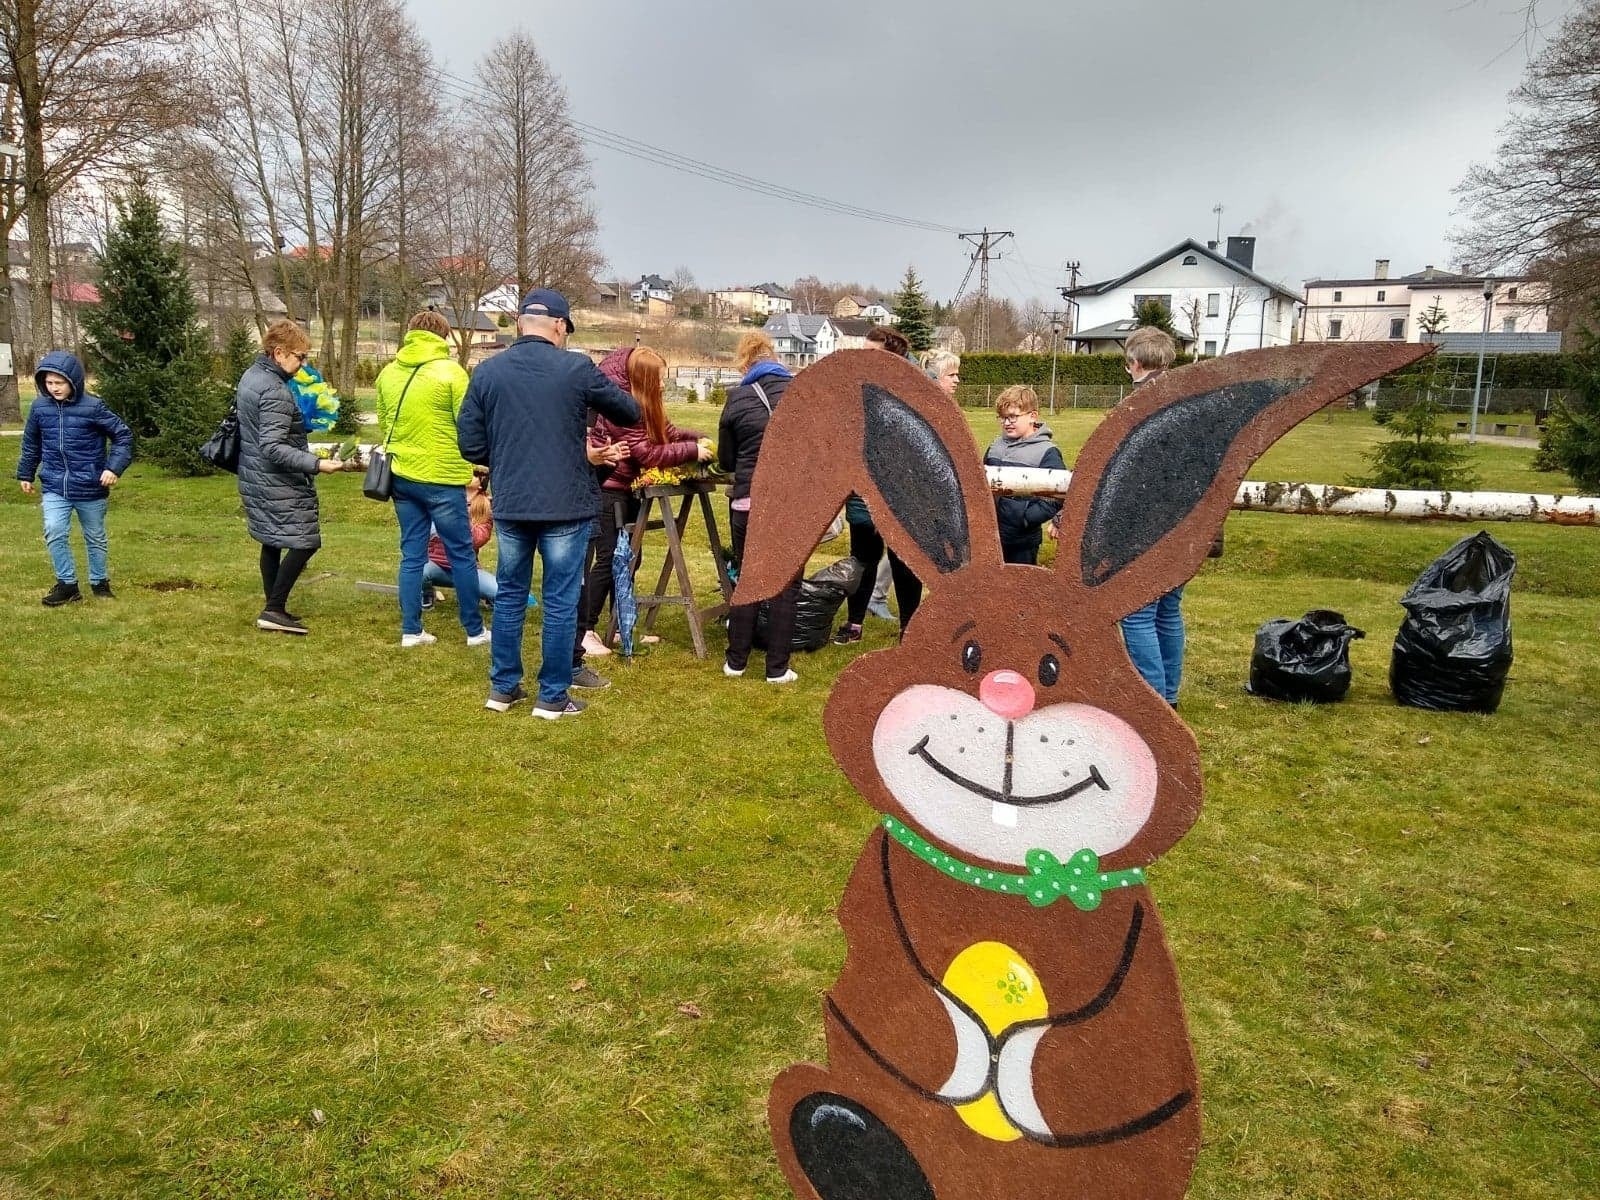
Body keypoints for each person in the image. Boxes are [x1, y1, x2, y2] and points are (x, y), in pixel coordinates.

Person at [456, 288, 640, 719]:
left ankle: (503, 689)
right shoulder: (576, 368)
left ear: (520, 323)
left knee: (511, 595)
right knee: (559, 600)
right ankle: (552, 696)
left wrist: (507, 458)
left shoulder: (488, 372)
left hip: (514, 502)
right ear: (559, 326)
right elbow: (629, 411)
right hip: (566, 504)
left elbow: (470, 443)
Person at [582, 346, 709, 659]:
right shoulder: (621, 406)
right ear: (642, 380)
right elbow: (647, 453)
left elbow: (667, 432)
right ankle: (585, 630)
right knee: (608, 559)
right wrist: (693, 452)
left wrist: (702, 438)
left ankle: (619, 626)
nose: (663, 384)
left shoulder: (644, 401)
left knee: (628, 560)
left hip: (628, 487)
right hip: (609, 487)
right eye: (658, 379)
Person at [374, 310, 486, 648]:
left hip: (401, 477)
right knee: (462, 554)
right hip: (442, 477)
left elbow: (383, 420)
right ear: (445, 336)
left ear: (409, 333)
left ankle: (411, 630)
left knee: (411, 555)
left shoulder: (387, 373)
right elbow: (467, 426)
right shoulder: (451, 373)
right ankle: (474, 630)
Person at [235, 320, 349, 634]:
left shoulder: (252, 376)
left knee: (272, 541)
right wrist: (316, 464)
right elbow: (272, 446)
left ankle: (275, 607)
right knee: (305, 541)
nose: (303, 364)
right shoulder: (274, 391)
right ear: (279, 352)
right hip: (277, 480)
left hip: (255, 475)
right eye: (300, 357)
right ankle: (273, 609)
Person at [15, 350, 134, 605]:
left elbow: (123, 436)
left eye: (59, 383)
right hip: (55, 484)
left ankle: (100, 583)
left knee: (95, 536)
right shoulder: (39, 408)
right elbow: (31, 443)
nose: (54, 388)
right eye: (49, 383)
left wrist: (113, 468)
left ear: (73, 382)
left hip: (90, 485)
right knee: (54, 530)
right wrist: (25, 473)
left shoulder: (94, 407)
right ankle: (67, 585)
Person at [719, 331, 801, 683]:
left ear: (745, 364)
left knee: (748, 577)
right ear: (775, 359)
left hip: (747, 501)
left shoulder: (737, 398)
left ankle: (736, 661)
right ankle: (776, 668)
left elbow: (726, 459)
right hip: (789, 504)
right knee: (786, 584)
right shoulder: (800, 395)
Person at [834, 328, 924, 644]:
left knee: (904, 561)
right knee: (862, 558)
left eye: (872, 352)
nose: (864, 358)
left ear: (892, 355)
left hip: (902, 495)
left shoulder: (914, 391)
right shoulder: (859, 390)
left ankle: (909, 630)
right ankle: (854, 623)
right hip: (863, 492)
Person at [863, 348, 961, 620]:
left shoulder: (945, 411)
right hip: (913, 504)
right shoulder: (915, 411)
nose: (957, 380)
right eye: (951, 375)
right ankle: (909, 623)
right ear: (934, 377)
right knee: (908, 564)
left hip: (936, 506)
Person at [1118, 325, 1185, 704]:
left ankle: (1152, 702)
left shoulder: (1141, 406)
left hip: (1150, 528)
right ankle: (1169, 697)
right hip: (1186, 526)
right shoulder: (1187, 398)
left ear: (1135, 362)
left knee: (1138, 614)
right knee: (1168, 610)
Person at [983, 384, 1064, 565]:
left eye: (1013, 417)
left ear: (1032, 416)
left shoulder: (1047, 451)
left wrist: (1026, 518)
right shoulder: (995, 446)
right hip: (990, 538)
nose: (1006, 423)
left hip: (1022, 543)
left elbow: (1056, 496)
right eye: (1003, 418)